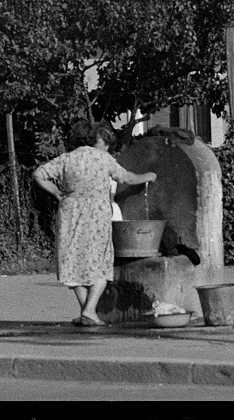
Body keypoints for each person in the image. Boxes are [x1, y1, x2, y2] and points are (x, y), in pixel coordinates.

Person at [33, 119, 156, 326]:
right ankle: (90, 310)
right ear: (92, 138)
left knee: (71, 260)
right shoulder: (103, 158)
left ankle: (86, 311)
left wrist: (55, 191)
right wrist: (147, 176)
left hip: (70, 213)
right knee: (100, 261)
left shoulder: (65, 159)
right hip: (97, 215)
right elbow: (126, 178)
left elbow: (38, 174)